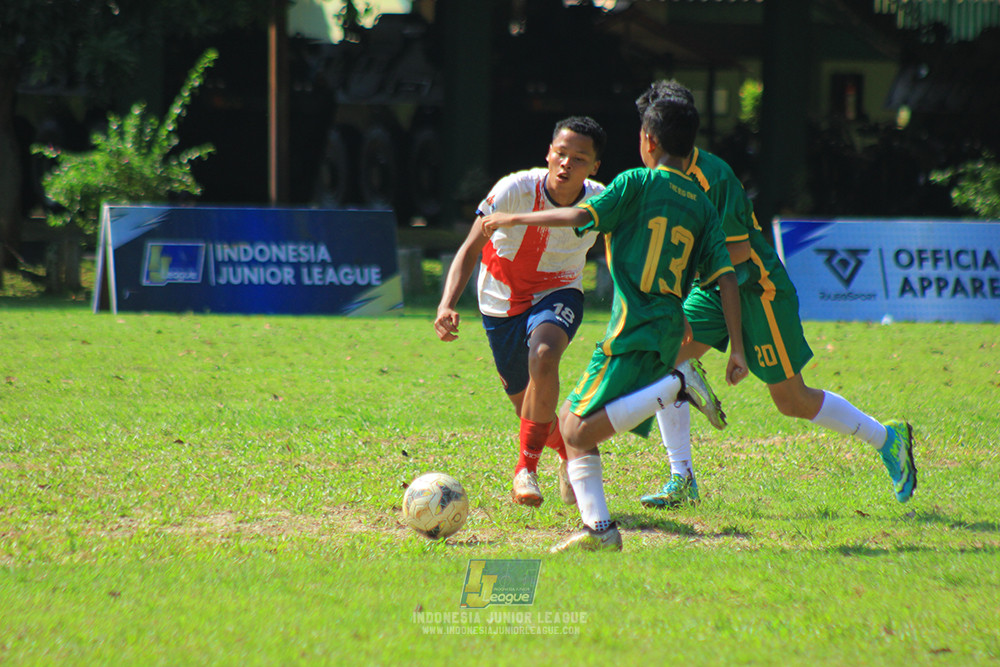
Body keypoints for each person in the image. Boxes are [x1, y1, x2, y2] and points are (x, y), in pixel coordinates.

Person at [483, 93, 749, 552]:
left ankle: (673, 388)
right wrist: (738, 349)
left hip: (632, 330)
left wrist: (515, 216)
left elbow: (577, 216)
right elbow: (726, 279)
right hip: (669, 325)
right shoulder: (703, 206)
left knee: (577, 431)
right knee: (566, 420)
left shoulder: (635, 183)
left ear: (647, 140)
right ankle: (598, 529)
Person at [634, 80, 916, 510]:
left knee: (792, 401)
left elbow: (735, 258)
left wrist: (737, 347)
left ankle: (887, 438)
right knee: (661, 354)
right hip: (714, 286)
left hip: (756, 289)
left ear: (650, 137)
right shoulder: (656, 179)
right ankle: (682, 478)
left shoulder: (715, 177)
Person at [434, 116, 607, 507]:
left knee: (545, 356)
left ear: (594, 167)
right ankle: (572, 453)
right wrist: (446, 303)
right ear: (548, 153)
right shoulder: (513, 189)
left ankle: (525, 470)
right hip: (500, 304)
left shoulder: (602, 199)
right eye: (560, 154)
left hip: (558, 292)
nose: (566, 164)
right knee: (531, 408)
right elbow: (469, 249)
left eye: (579, 159)